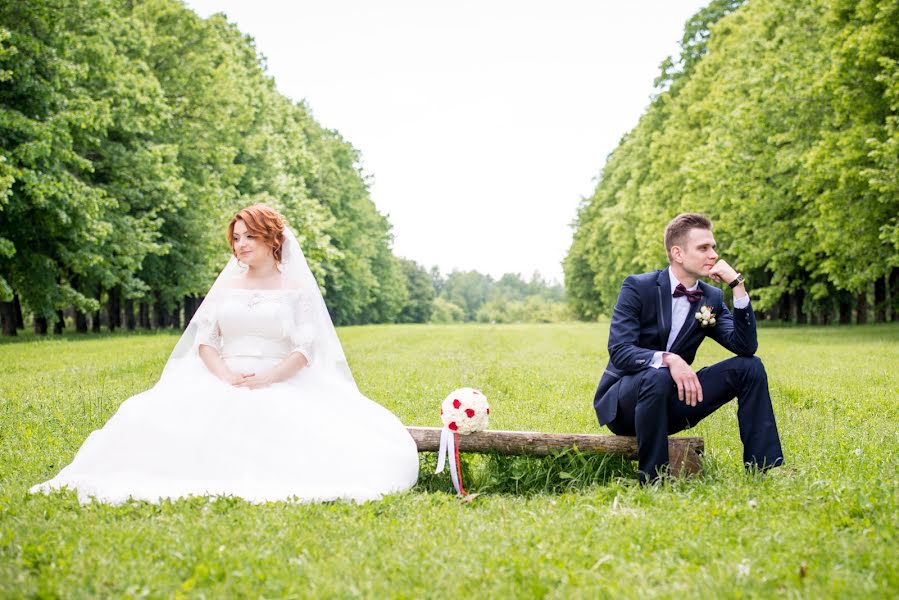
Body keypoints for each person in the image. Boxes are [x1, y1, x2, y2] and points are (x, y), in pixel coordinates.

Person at [32, 205, 419, 503]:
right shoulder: (227, 285)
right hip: (222, 374)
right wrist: (225, 376)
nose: (241, 244)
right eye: (236, 238)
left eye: (250, 236)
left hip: (279, 376)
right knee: (147, 418)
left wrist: (266, 379)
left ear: (273, 240)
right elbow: (205, 340)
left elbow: (304, 350)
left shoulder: (296, 289)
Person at [593, 213, 783, 483]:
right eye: (704, 248)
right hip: (627, 407)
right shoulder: (638, 287)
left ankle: (761, 470)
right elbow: (621, 351)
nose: (713, 255)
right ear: (678, 253)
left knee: (750, 367)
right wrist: (669, 359)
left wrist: (737, 287)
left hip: (673, 401)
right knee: (657, 374)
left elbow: (745, 346)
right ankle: (654, 479)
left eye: (714, 247)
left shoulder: (711, 297)